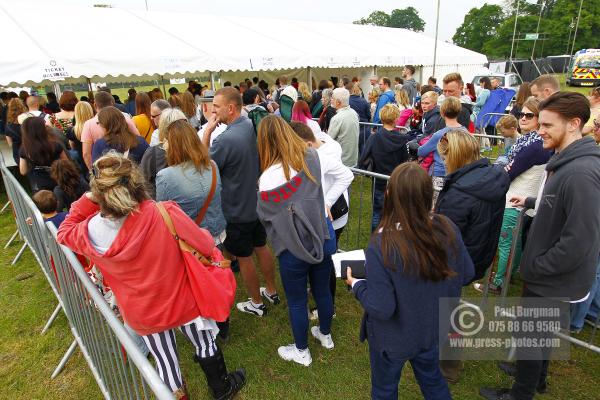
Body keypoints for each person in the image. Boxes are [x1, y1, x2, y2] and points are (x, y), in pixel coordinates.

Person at [56, 152, 246, 400]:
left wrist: (90, 197)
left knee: (165, 361)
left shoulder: (90, 231)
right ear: (134, 181)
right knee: (204, 341)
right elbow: (202, 241)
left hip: (142, 311)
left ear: (100, 191)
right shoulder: (162, 212)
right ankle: (221, 388)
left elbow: (64, 231)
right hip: (181, 298)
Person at [480, 92, 600, 400]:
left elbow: (581, 239)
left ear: (574, 124)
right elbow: (561, 204)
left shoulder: (581, 172)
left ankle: (521, 392)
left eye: (546, 124)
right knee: (538, 335)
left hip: (551, 276)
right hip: (549, 272)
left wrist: (537, 267)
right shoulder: (567, 160)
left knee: (532, 337)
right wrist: (534, 201)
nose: (539, 130)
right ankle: (535, 378)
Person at [346, 162, 474, 400]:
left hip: (393, 338)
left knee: (385, 389)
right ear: (428, 195)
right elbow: (466, 273)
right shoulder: (447, 228)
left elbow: (381, 307)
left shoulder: (382, 245)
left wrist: (356, 284)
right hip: (431, 329)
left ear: (389, 195)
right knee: (433, 380)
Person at [256, 115, 336, 366]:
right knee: (323, 291)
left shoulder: (267, 178)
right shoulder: (311, 157)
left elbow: (266, 217)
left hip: (292, 249)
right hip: (322, 236)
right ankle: (325, 335)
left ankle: (302, 351)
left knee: (297, 301)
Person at [202, 87, 279, 317]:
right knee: (261, 246)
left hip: (236, 208)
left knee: (244, 257)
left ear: (231, 108)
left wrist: (206, 134)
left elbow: (206, 168)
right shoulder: (246, 125)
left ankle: (256, 302)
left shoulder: (225, 139)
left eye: (216, 107)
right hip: (255, 203)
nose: (212, 111)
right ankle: (272, 291)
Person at [475, 98, 552, 294]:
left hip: (517, 200)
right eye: (521, 114)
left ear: (539, 118)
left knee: (505, 243)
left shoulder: (534, 145)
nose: (523, 118)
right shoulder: (528, 141)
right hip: (522, 198)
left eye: (529, 115)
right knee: (513, 242)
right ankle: (509, 275)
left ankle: (498, 282)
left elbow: (509, 171)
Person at [290, 121, 353, 318]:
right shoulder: (324, 143)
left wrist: (326, 201)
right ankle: (321, 296)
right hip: (323, 216)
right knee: (323, 260)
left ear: (307, 144)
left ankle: (327, 307)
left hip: (331, 217)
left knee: (327, 262)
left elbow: (346, 175)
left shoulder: (321, 156)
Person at [435, 130, 509, 282]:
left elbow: (444, 239)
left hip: (454, 265)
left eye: (445, 158)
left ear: (455, 157)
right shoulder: (492, 178)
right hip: (479, 258)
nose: (444, 163)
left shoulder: (459, 194)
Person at [156, 119, 226, 242]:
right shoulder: (212, 165)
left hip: (192, 243)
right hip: (218, 235)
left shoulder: (165, 176)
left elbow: (163, 216)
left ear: (172, 145)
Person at [360, 104, 410, 231]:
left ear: (381, 118)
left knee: (377, 213)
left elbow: (363, 159)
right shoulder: (402, 140)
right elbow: (405, 161)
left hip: (379, 181)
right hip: (396, 181)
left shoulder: (374, 137)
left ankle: (376, 239)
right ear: (396, 119)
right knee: (395, 213)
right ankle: (391, 239)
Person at [417, 97, 468, 203]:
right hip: (460, 174)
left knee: (435, 206)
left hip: (440, 175)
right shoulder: (465, 132)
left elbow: (421, 151)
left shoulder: (439, 134)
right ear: (458, 111)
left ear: (442, 112)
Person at [81, 91, 140, 169]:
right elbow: (137, 138)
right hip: (128, 165)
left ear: (95, 105)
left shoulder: (88, 124)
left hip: (104, 169)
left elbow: (86, 153)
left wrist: (93, 172)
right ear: (112, 103)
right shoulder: (125, 118)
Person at [141, 108, 185, 199]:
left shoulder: (153, 153)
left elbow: (144, 183)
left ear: (162, 128)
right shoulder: (196, 150)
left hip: (163, 206)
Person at [19, 116, 68, 192]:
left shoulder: (24, 149)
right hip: (58, 182)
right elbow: (66, 163)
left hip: (39, 187)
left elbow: (23, 171)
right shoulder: (55, 145)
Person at [328, 88, 359, 167]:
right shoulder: (354, 113)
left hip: (341, 161)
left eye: (333, 98)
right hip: (352, 159)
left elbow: (329, 140)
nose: (331, 100)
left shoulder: (337, 118)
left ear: (338, 102)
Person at [66, 101, 94, 173]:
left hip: (82, 163)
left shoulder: (72, 130)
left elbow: (72, 147)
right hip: (96, 160)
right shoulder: (95, 127)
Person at [348, 83, 371, 154]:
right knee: (364, 149)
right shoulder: (364, 101)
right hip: (364, 128)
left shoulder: (347, 101)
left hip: (352, 128)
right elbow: (368, 115)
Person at [5, 98, 27, 165]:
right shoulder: (28, 123)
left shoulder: (8, 126)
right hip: (31, 151)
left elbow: (10, 144)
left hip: (18, 154)